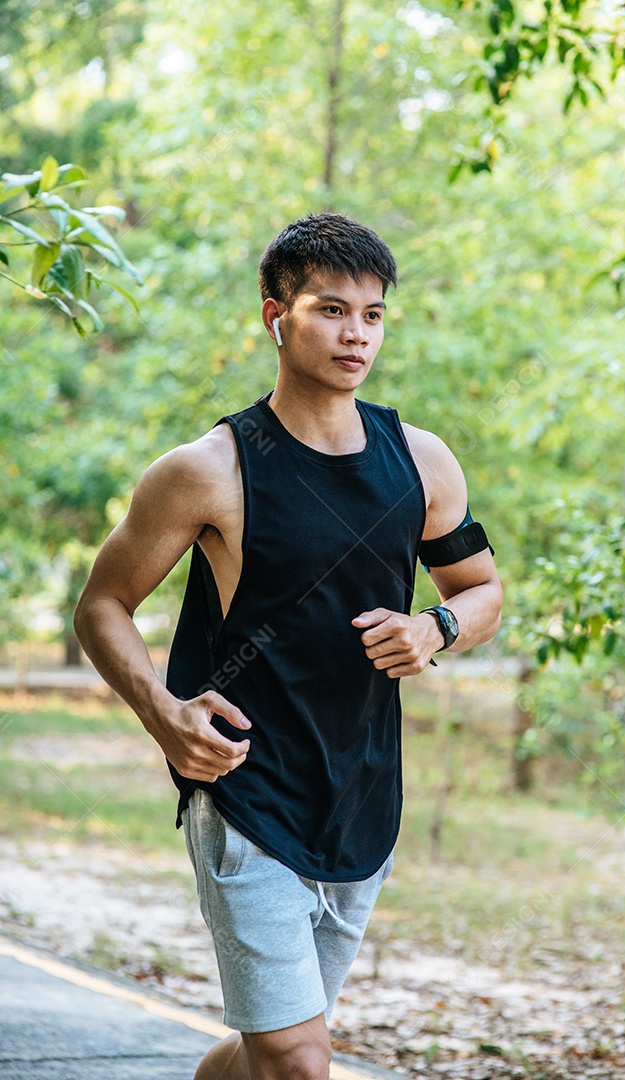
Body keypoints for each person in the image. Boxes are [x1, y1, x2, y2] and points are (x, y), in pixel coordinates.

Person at [74, 212, 503, 1080]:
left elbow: (482, 591)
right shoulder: (209, 469)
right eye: (332, 310)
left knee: (268, 1051)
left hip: (362, 791)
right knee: (303, 1060)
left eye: (373, 315)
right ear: (275, 317)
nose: (356, 334)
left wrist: (435, 627)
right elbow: (103, 603)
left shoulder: (422, 463)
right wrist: (164, 716)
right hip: (244, 786)